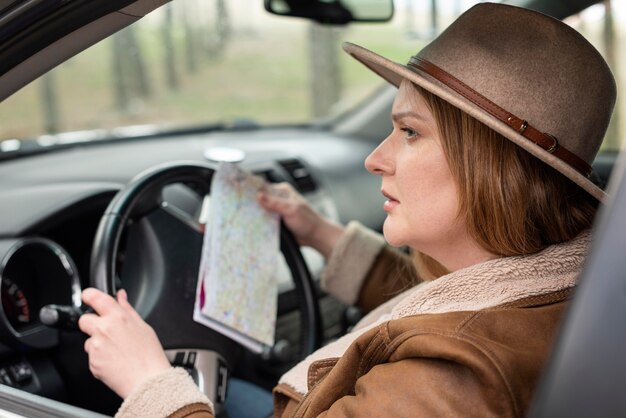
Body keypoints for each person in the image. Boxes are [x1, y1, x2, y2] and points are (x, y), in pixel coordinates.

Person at [77, 3, 616, 417]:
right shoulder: (560, 284)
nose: (374, 159)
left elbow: (439, 338)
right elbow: (427, 311)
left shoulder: (450, 376)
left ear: (493, 167)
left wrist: (149, 382)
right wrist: (319, 235)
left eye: (409, 132)